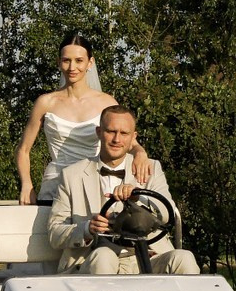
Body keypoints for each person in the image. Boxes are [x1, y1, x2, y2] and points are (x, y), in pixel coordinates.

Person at [48, 105, 200, 276]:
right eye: (111, 131)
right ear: (99, 132)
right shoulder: (72, 175)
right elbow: (55, 233)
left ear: (133, 137)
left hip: (147, 257)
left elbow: (167, 212)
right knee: (104, 256)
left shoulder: (151, 168)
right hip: (95, 258)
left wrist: (138, 197)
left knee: (184, 258)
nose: (116, 139)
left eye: (124, 133)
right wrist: (87, 228)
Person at [14, 35, 148, 204]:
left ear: (89, 63)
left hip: (95, 181)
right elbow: (23, 149)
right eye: (66, 60)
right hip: (56, 182)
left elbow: (128, 142)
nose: (72, 67)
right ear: (59, 62)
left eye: (79, 60)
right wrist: (27, 185)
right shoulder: (45, 103)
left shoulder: (106, 102)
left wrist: (141, 153)